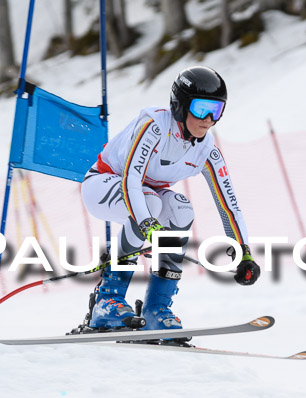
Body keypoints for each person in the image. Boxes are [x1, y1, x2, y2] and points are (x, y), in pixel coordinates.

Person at [80, 65, 260, 332]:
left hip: (146, 194)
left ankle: (157, 308)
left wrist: (243, 251)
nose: (209, 119)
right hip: (102, 184)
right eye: (201, 109)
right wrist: (147, 224)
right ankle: (107, 300)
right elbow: (131, 180)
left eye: (217, 110)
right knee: (150, 202)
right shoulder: (154, 126)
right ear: (181, 105)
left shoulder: (207, 149)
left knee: (181, 210)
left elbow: (228, 205)